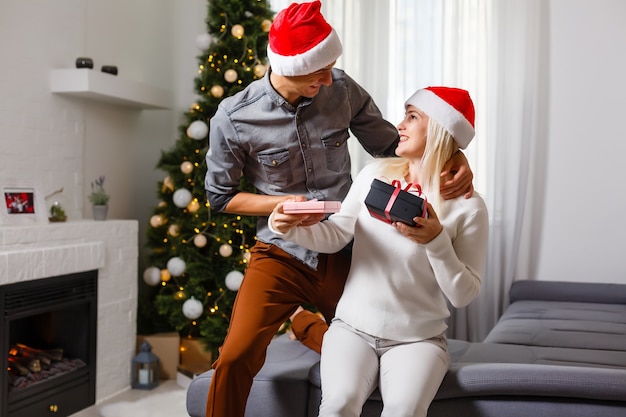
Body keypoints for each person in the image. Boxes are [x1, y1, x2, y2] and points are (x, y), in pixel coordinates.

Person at [204, 2, 473, 416]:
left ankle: (303, 324)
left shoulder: (342, 90)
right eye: (319, 70)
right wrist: (284, 206)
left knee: (360, 334)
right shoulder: (234, 116)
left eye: (332, 66)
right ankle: (302, 323)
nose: (329, 77)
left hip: (345, 249)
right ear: (291, 66)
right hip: (281, 251)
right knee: (235, 355)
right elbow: (220, 197)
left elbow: (395, 148)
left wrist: (455, 156)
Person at [269, 86, 489, 417]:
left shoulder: (469, 208)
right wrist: (290, 227)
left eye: (412, 117)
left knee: (403, 411)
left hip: (418, 340)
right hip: (351, 329)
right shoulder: (375, 174)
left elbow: (463, 294)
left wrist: (435, 240)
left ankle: (304, 325)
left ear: (441, 130)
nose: (399, 125)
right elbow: (336, 235)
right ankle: (307, 326)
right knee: (338, 405)